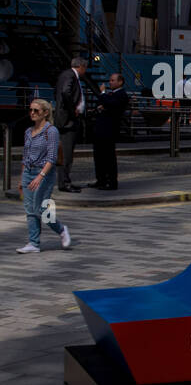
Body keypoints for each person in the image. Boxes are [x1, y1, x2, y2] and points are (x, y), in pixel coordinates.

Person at [15, 97, 71, 254]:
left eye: (36, 110)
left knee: (41, 209)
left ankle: (61, 229)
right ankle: (34, 243)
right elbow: (25, 157)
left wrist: (40, 176)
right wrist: (22, 178)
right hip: (28, 172)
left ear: (45, 113)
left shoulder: (51, 131)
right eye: (31, 110)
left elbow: (52, 158)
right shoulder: (28, 132)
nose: (32, 113)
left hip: (44, 173)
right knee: (30, 210)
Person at [53, 56, 91, 192]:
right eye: (85, 69)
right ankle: (64, 183)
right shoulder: (70, 75)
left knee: (66, 153)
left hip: (67, 118)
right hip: (68, 120)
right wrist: (72, 109)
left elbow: (57, 93)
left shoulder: (67, 75)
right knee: (66, 153)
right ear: (81, 67)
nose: (85, 71)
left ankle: (66, 180)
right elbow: (65, 92)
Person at [91, 73, 129, 190]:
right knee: (99, 156)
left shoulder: (121, 95)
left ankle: (111, 182)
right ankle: (100, 180)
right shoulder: (111, 95)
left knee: (109, 157)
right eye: (110, 80)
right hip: (101, 129)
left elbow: (111, 104)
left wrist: (102, 94)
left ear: (120, 82)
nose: (110, 82)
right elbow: (104, 103)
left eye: (112, 80)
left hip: (109, 130)